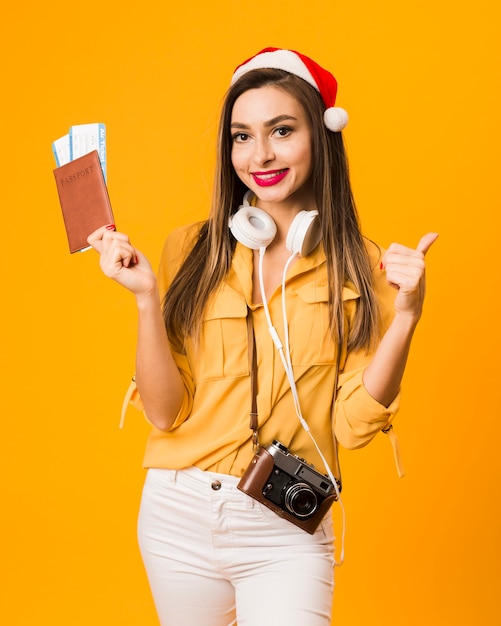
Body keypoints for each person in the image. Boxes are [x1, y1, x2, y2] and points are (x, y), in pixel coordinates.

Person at [88, 47, 437, 626]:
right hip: (178, 512)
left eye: (281, 130)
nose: (261, 155)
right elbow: (164, 413)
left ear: (321, 138)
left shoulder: (362, 266)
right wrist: (147, 299)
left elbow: (352, 428)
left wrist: (406, 317)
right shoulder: (189, 250)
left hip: (286, 522)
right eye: (242, 136)